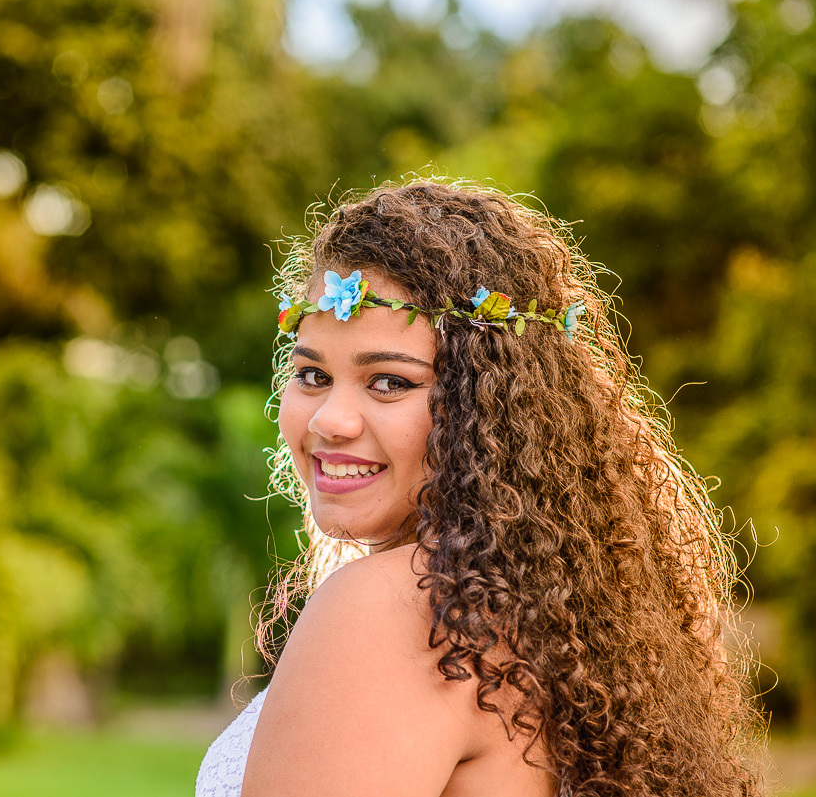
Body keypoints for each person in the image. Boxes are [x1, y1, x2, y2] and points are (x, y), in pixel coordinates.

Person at [195, 180, 768, 797]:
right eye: (312, 373)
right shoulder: (551, 622)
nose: (329, 419)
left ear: (492, 409)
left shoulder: (390, 609)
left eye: (389, 382)